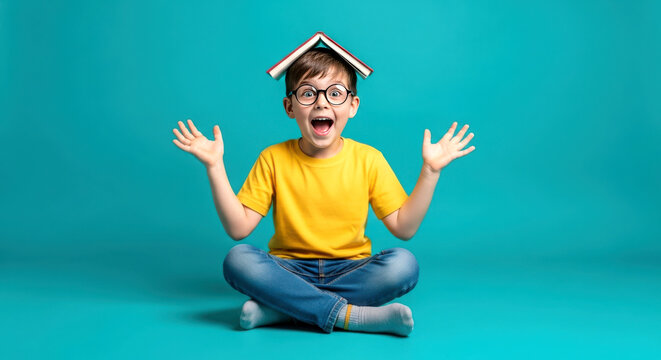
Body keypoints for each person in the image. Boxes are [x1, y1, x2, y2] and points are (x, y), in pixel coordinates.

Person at [172, 47, 475, 336]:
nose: (321, 103)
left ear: (352, 105)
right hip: (288, 270)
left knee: (404, 265)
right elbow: (239, 229)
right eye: (307, 93)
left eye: (335, 93)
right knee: (237, 259)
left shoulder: (369, 159)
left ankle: (283, 310)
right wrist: (215, 166)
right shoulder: (273, 158)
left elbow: (404, 228)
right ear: (289, 107)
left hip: (351, 270)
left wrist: (430, 171)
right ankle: (348, 316)